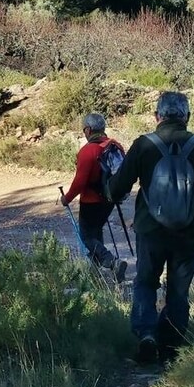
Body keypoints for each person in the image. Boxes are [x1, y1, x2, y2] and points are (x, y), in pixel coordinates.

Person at [107, 91, 194, 363]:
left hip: (150, 230)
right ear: (187, 117)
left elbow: (117, 189)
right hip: (190, 233)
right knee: (178, 291)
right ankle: (170, 349)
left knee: (146, 282)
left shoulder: (144, 145)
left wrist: (107, 186)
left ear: (157, 116)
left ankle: (146, 334)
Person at [60, 113, 128, 282]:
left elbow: (80, 182)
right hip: (109, 200)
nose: (84, 133)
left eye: (84, 130)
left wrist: (67, 198)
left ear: (89, 130)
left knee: (86, 236)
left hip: (90, 201)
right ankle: (94, 274)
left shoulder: (87, 151)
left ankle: (112, 262)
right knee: (96, 233)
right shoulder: (115, 146)